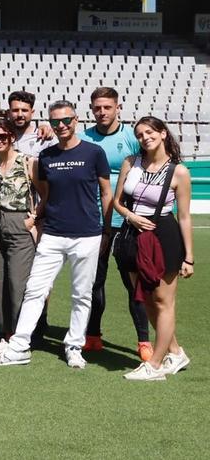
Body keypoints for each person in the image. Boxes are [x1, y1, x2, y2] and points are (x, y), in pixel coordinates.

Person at [0, 101, 111, 369]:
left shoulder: (94, 153)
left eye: (66, 120)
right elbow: (44, 194)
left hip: (87, 235)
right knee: (35, 290)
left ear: (76, 120)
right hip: (53, 234)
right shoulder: (46, 156)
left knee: (81, 294)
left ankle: (74, 346)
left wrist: (107, 232)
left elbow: (106, 193)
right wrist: (36, 218)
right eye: (55, 122)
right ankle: (20, 345)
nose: (61, 126)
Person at [112, 117, 192, 380]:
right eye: (139, 134)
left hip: (164, 235)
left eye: (149, 132)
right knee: (144, 298)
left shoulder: (179, 171)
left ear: (162, 133)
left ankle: (155, 365)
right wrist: (130, 216)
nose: (144, 137)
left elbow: (184, 216)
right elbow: (117, 201)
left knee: (163, 301)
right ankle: (176, 352)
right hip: (133, 233)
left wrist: (188, 257)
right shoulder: (131, 162)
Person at [82, 87, 145, 355]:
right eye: (97, 107)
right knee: (94, 282)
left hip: (127, 222)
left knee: (133, 283)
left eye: (107, 107)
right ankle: (93, 334)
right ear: (91, 109)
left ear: (118, 107)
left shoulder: (132, 137)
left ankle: (143, 341)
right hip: (92, 222)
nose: (102, 112)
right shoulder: (82, 138)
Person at [0, 118, 38, 351]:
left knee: (18, 282)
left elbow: (45, 194)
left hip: (18, 223)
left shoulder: (28, 162)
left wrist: (34, 219)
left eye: (2, 136)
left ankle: (21, 334)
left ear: (11, 137)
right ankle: (6, 333)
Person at [7, 91, 53, 156]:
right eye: (15, 110)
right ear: (9, 113)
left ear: (32, 113)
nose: (20, 115)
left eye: (24, 110)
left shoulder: (45, 138)